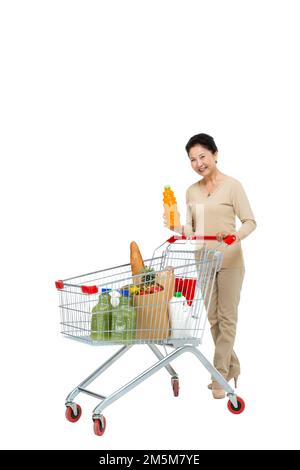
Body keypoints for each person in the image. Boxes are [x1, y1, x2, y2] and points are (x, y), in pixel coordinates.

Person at [165, 133, 256, 399]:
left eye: (202, 156)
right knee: (213, 319)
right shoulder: (191, 191)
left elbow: (250, 221)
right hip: (203, 260)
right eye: (193, 159)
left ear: (215, 154)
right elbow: (194, 230)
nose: (198, 163)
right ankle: (232, 366)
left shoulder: (233, 186)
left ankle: (219, 374)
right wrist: (176, 228)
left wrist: (234, 236)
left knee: (227, 318)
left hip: (230, 260)